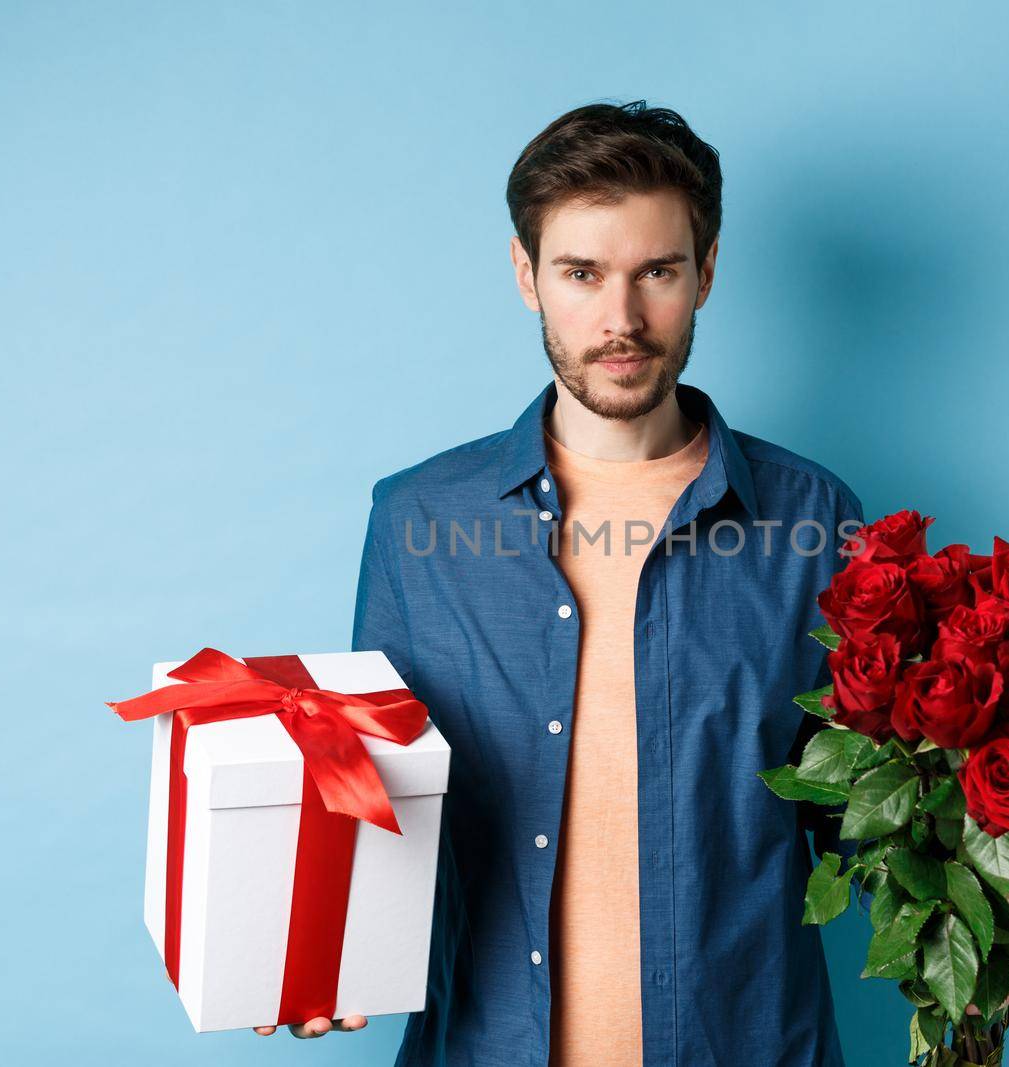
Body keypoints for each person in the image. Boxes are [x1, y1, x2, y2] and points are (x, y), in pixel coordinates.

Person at [261, 99, 868, 1064]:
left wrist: (991, 905)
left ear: (706, 273)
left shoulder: (816, 521)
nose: (620, 320)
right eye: (581, 273)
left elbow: (864, 813)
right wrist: (311, 953)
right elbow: (372, 789)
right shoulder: (420, 522)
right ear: (525, 274)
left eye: (656, 272)